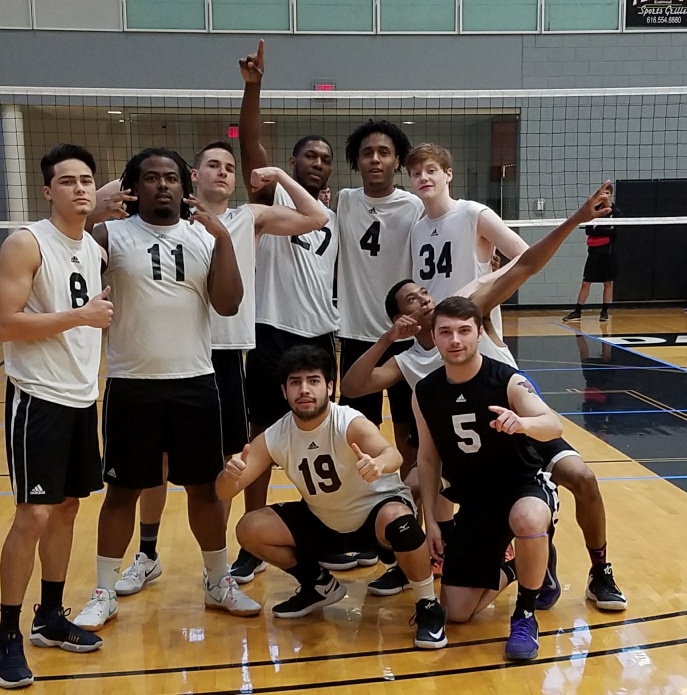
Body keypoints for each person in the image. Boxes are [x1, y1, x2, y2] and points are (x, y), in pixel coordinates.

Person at [342, 184, 627, 613]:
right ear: (404, 317)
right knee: (412, 485)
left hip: (521, 428)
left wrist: (576, 220)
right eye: (412, 300)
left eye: (424, 292)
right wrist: (387, 338)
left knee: (582, 477)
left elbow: (526, 263)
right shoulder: (410, 359)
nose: (424, 298)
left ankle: (599, 570)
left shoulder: (467, 309)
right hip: (472, 452)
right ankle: (419, 560)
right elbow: (352, 387)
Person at [111, 141, 329, 594]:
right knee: (155, 464)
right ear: (193, 175)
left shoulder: (249, 217)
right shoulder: (164, 221)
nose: (224, 172)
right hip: (167, 354)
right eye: (213, 165)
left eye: (230, 167)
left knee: (223, 464)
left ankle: (221, 566)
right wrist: (122, 187)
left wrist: (278, 175)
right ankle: (147, 554)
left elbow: (317, 217)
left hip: (225, 353)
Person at [73, 146, 260, 632]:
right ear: (135, 188)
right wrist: (95, 212)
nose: (162, 185)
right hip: (132, 384)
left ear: (185, 186)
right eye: (151, 178)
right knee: (122, 493)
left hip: (194, 382)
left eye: (171, 178)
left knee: (204, 489)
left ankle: (218, 581)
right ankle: (103, 591)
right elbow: (69, 254)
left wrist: (223, 240)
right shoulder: (110, 234)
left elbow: (228, 304)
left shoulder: (204, 236)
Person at [216, 345, 447, 649]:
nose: (304, 389)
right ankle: (319, 585)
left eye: (313, 381)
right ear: (284, 391)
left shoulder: (348, 421)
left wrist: (378, 464)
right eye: (295, 382)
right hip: (324, 520)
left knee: (398, 520)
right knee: (249, 528)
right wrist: (228, 476)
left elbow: (393, 454)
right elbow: (224, 492)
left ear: (329, 387)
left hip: (376, 518)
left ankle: (428, 605)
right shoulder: (276, 434)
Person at [0, 144, 111, 688]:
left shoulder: (92, 246)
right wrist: (80, 317)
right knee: (34, 515)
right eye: (67, 181)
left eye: (86, 180)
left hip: (82, 398)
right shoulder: (26, 242)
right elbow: (6, 324)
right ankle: (7, 635)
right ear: (47, 190)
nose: (79, 188)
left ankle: (51, 617)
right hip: (37, 397)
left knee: (65, 509)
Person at [232, 39, 342, 581]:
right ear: (292, 163)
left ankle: (325, 530)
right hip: (272, 331)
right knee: (260, 435)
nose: (317, 163)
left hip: (322, 336)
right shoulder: (273, 198)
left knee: (320, 436)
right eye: (309, 157)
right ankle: (252, 538)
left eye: (325, 159)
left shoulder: (335, 214)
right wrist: (254, 87)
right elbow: (251, 143)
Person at [415, 295, 563, 661]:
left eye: (464, 331)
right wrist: (431, 520)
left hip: (524, 487)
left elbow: (553, 424)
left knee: (527, 519)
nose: (455, 340)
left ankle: (525, 615)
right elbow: (428, 459)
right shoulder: (426, 391)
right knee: (457, 612)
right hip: (476, 503)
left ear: (479, 333)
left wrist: (522, 422)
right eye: (445, 332)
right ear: (433, 336)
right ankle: (519, 566)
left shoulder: (507, 381)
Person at [336, 121, 424, 484]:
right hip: (357, 335)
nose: (375, 159)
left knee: (410, 432)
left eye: (383, 153)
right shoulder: (344, 200)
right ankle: (365, 506)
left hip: (406, 337)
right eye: (367, 153)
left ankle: (410, 503)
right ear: (356, 161)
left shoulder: (414, 206)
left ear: (397, 161)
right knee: (357, 436)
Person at [406, 143, 529, 340]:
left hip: (475, 330)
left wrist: (481, 282)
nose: (424, 178)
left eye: (431, 170)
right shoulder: (417, 229)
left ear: (448, 174)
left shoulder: (473, 213)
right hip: (437, 332)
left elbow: (526, 256)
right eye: (416, 173)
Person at [563, 198, 619, 323]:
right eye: (603, 193)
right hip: (593, 252)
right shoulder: (594, 210)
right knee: (586, 282)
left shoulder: (615, 212)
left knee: (607, 283)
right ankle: (577, 312)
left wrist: (597, 228)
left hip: (608, 252)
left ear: (610, 195)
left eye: (607, 193)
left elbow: (613, 232)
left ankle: (604, 312)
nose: (604, 195)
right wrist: (601, 229)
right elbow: (588, 230)